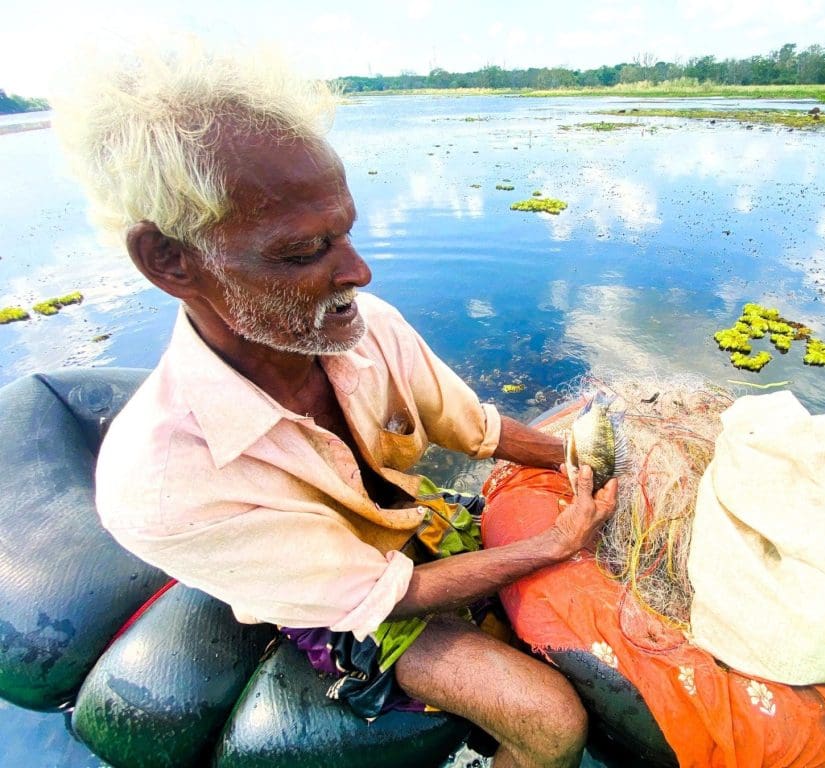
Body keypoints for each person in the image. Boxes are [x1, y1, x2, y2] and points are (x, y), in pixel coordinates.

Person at [55, 44, 617, 768]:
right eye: (301, 253)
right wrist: (550, 544)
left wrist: (578, 458)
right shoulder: (161, 482)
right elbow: (389, 595)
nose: (358, 271)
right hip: (357, 609)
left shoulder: (365, 325)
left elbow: (471, 428)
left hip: (419, 529)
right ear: (171, 261)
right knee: (549, 719)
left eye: (345, 231)